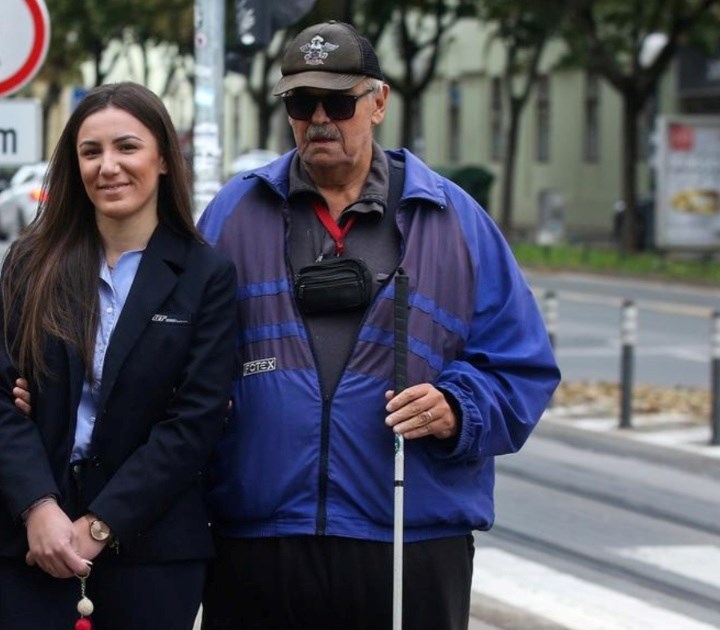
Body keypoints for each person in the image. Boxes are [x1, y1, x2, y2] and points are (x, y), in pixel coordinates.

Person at [196, 21, 560, 629]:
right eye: (300, 102)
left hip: (408, 539)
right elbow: (177, 348)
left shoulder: (454, 220)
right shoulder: (234, 213)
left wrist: (458, 407)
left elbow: (523, 366)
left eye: (338, 103)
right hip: (258, 537)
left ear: (379, 102)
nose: (319, 119)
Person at [0, 81, 239, 630]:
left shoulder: (206, 275)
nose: (108, 166)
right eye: (91, 152)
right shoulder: (30, 263)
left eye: (127, 147)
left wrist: (100, 524)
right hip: (30, 545)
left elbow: (194, 421)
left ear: (163, 158)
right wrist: (38, 506)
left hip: (153, 550)